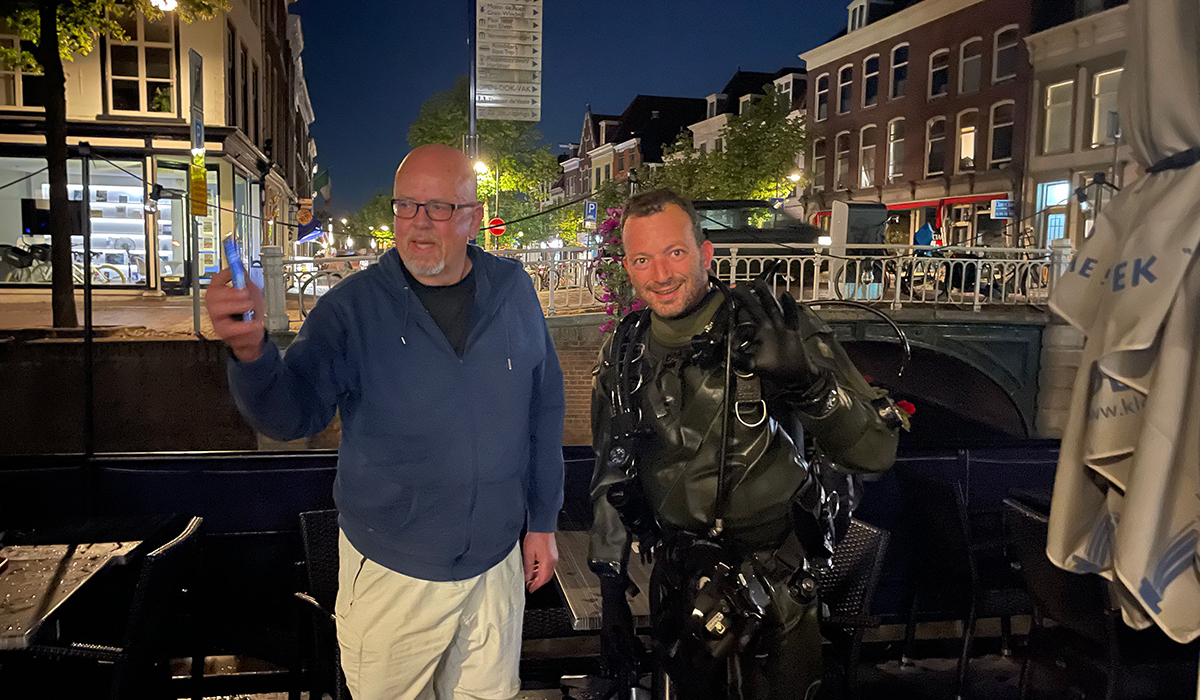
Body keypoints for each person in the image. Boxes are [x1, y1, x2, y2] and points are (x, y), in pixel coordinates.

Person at [205, 144, 565, 700]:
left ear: (473, 218)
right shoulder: (350, 310)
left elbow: (544, 406)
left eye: (438, 207)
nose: (418, 222)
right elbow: (292, 415)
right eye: (406, 205)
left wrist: (541, 520)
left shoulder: (513, 290)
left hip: (495, 568)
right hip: (394, 574)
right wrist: (251, 353)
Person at [588, 189, 903, 700]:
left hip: (774, 587)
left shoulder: (773, 330)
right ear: (628, 267)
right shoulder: (624, 352)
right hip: (680, 585)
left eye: (675, 252)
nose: (661, 274)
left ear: (706, 253)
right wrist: (610, 584)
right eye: (642, 259)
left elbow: (874, 453)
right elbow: (612, 469)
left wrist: (809, 386)